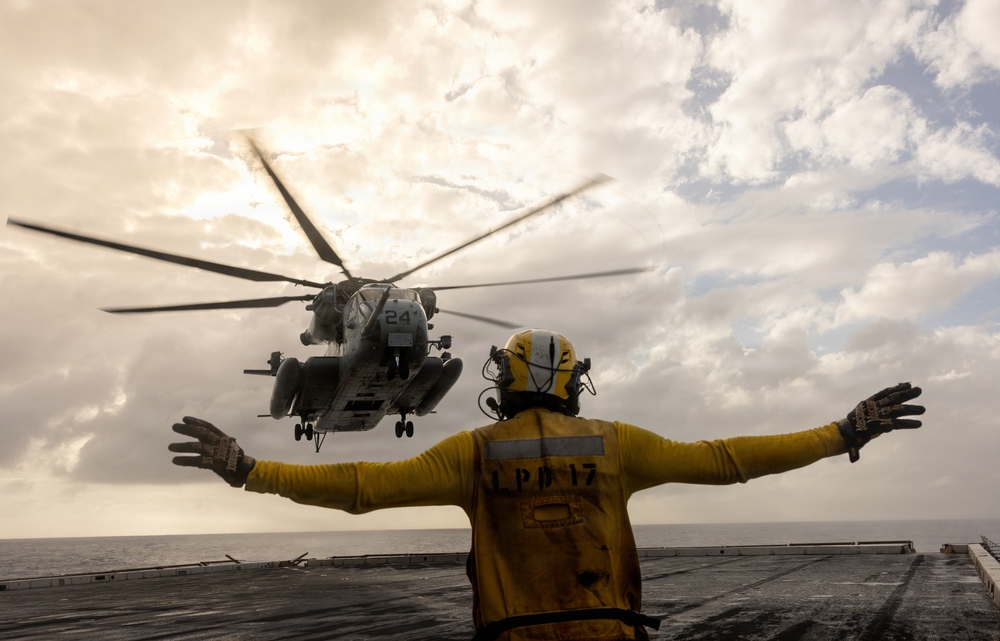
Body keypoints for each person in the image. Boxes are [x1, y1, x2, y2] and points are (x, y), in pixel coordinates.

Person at [169, 328, 925, 640]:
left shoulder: (473, 452)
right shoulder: (617, 444)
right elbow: (729, 457)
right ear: (572, 384)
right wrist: (842, 433)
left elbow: (364, 483)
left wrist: (251, 470)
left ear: (501, 387)